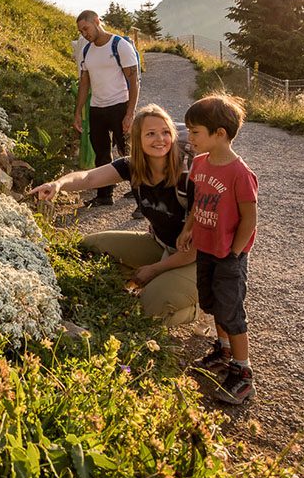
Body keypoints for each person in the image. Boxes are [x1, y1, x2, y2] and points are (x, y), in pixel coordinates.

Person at [31, 104, 198, 326]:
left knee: (150, 309)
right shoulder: (133, 166)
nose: (160, 139)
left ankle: (199, 307)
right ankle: (162, 282)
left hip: (197, 257)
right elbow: (89, 178)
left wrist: (153, 270)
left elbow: (196, 248)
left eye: (166, 132)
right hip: (161, 244)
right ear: (137, 139)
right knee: (91, 245)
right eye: (150, 134)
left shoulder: (190, 174)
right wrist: (57, 184)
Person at [177, 94, 259, 405]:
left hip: (229, 254)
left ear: (219, 134)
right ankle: (224, 351)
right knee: (211, 301)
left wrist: (235, 253)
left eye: (195, 132)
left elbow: (250, 218)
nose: (190, 137)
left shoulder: (240, 174)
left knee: (231, 310)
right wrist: (188, 230)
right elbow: (198, 203)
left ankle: (243, 373)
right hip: (207, 248)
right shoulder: (199, 163)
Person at [73, 11, 139, 206]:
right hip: (97, 108)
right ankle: (104, 195)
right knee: (101, 153)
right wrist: (78, 112)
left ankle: (140, 198)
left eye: (86, 28)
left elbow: (134, 82)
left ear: (96, 21)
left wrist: (130, 113)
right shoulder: (87, 51)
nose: (84, 33)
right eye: (81, 31)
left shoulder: (120, 45)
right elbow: (84, 83)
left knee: (127, 151)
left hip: (119, 105)